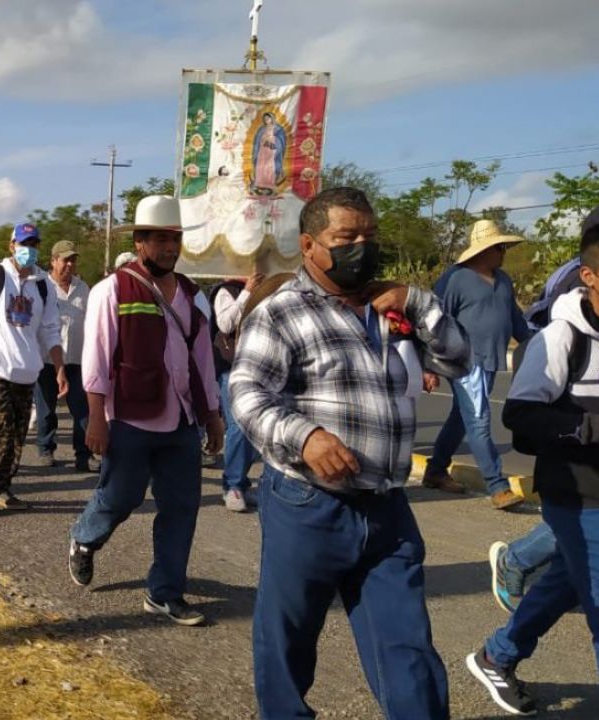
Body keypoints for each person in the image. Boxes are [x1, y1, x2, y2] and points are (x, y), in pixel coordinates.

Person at [232, 187, 469, 719]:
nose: (361, 248)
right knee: (289, 640)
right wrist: (305, 437)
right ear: (311, 245)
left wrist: (418, 302)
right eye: (346, 238)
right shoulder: (281, 313)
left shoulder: (392, 306)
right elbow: (247, 395)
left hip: (386, 508)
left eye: (369, 236)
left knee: (407, 648)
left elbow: (458, 360)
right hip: (308, 505)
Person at [466, 212, 599, 716]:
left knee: (570, 576)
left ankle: (496, 656)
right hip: (579, 493)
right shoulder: (563, 337)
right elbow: (522, 420)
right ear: (588, 274)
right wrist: (590, 429)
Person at [67, 195, 224, 626]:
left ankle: (164, 592)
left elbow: (204, 361)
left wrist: (212, 414)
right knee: (122, 497)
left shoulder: (194, 296)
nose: (169, 248)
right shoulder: (112, 290)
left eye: (174, 239)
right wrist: (97, 417)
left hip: (182, 419)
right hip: (131, 415)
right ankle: (84, 538)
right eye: (159, 240)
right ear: (139, 242)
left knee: (181, 507)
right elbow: (97, 356)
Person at [0, 223, 67, 519]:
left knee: (18, 439)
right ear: (11, 246)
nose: (28, 249)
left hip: (28, 372)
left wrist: (59, 370)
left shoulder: (43, 284)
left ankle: (4, 488)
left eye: (33, 244)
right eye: (23, 243)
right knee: (1, 435)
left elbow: (51, 331)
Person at [426, 219, 534, 509]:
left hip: (490, 358)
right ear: (483, 250)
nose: (504, 252)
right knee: (479, 419)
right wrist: (429, 365)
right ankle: (497, 487)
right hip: (463, 360)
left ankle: (436, 470)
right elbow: (433, 320)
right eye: (500, 247)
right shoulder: (455, 279)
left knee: (462, 418)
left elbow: (515, 321)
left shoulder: (503, 280)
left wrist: (535, 345)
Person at [33, 240, 92, 471]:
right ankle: (46, 448)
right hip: (47, 359)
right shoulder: (41, 286)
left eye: (73, 259)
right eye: (65, 259)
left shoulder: (83, 288)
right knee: (47, 407)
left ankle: (83, 455)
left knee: (82, 409)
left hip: (77, 357)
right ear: (53, 261)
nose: (70, 264)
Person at [211, 272, 265, 511]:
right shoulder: (226, 290)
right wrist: (247, 293)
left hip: (259, 366)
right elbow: (225, 324)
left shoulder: (269, 287)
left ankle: (240, 483)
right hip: (231, 368)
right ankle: (232, 485)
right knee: (238, 427)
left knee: (253, 429)